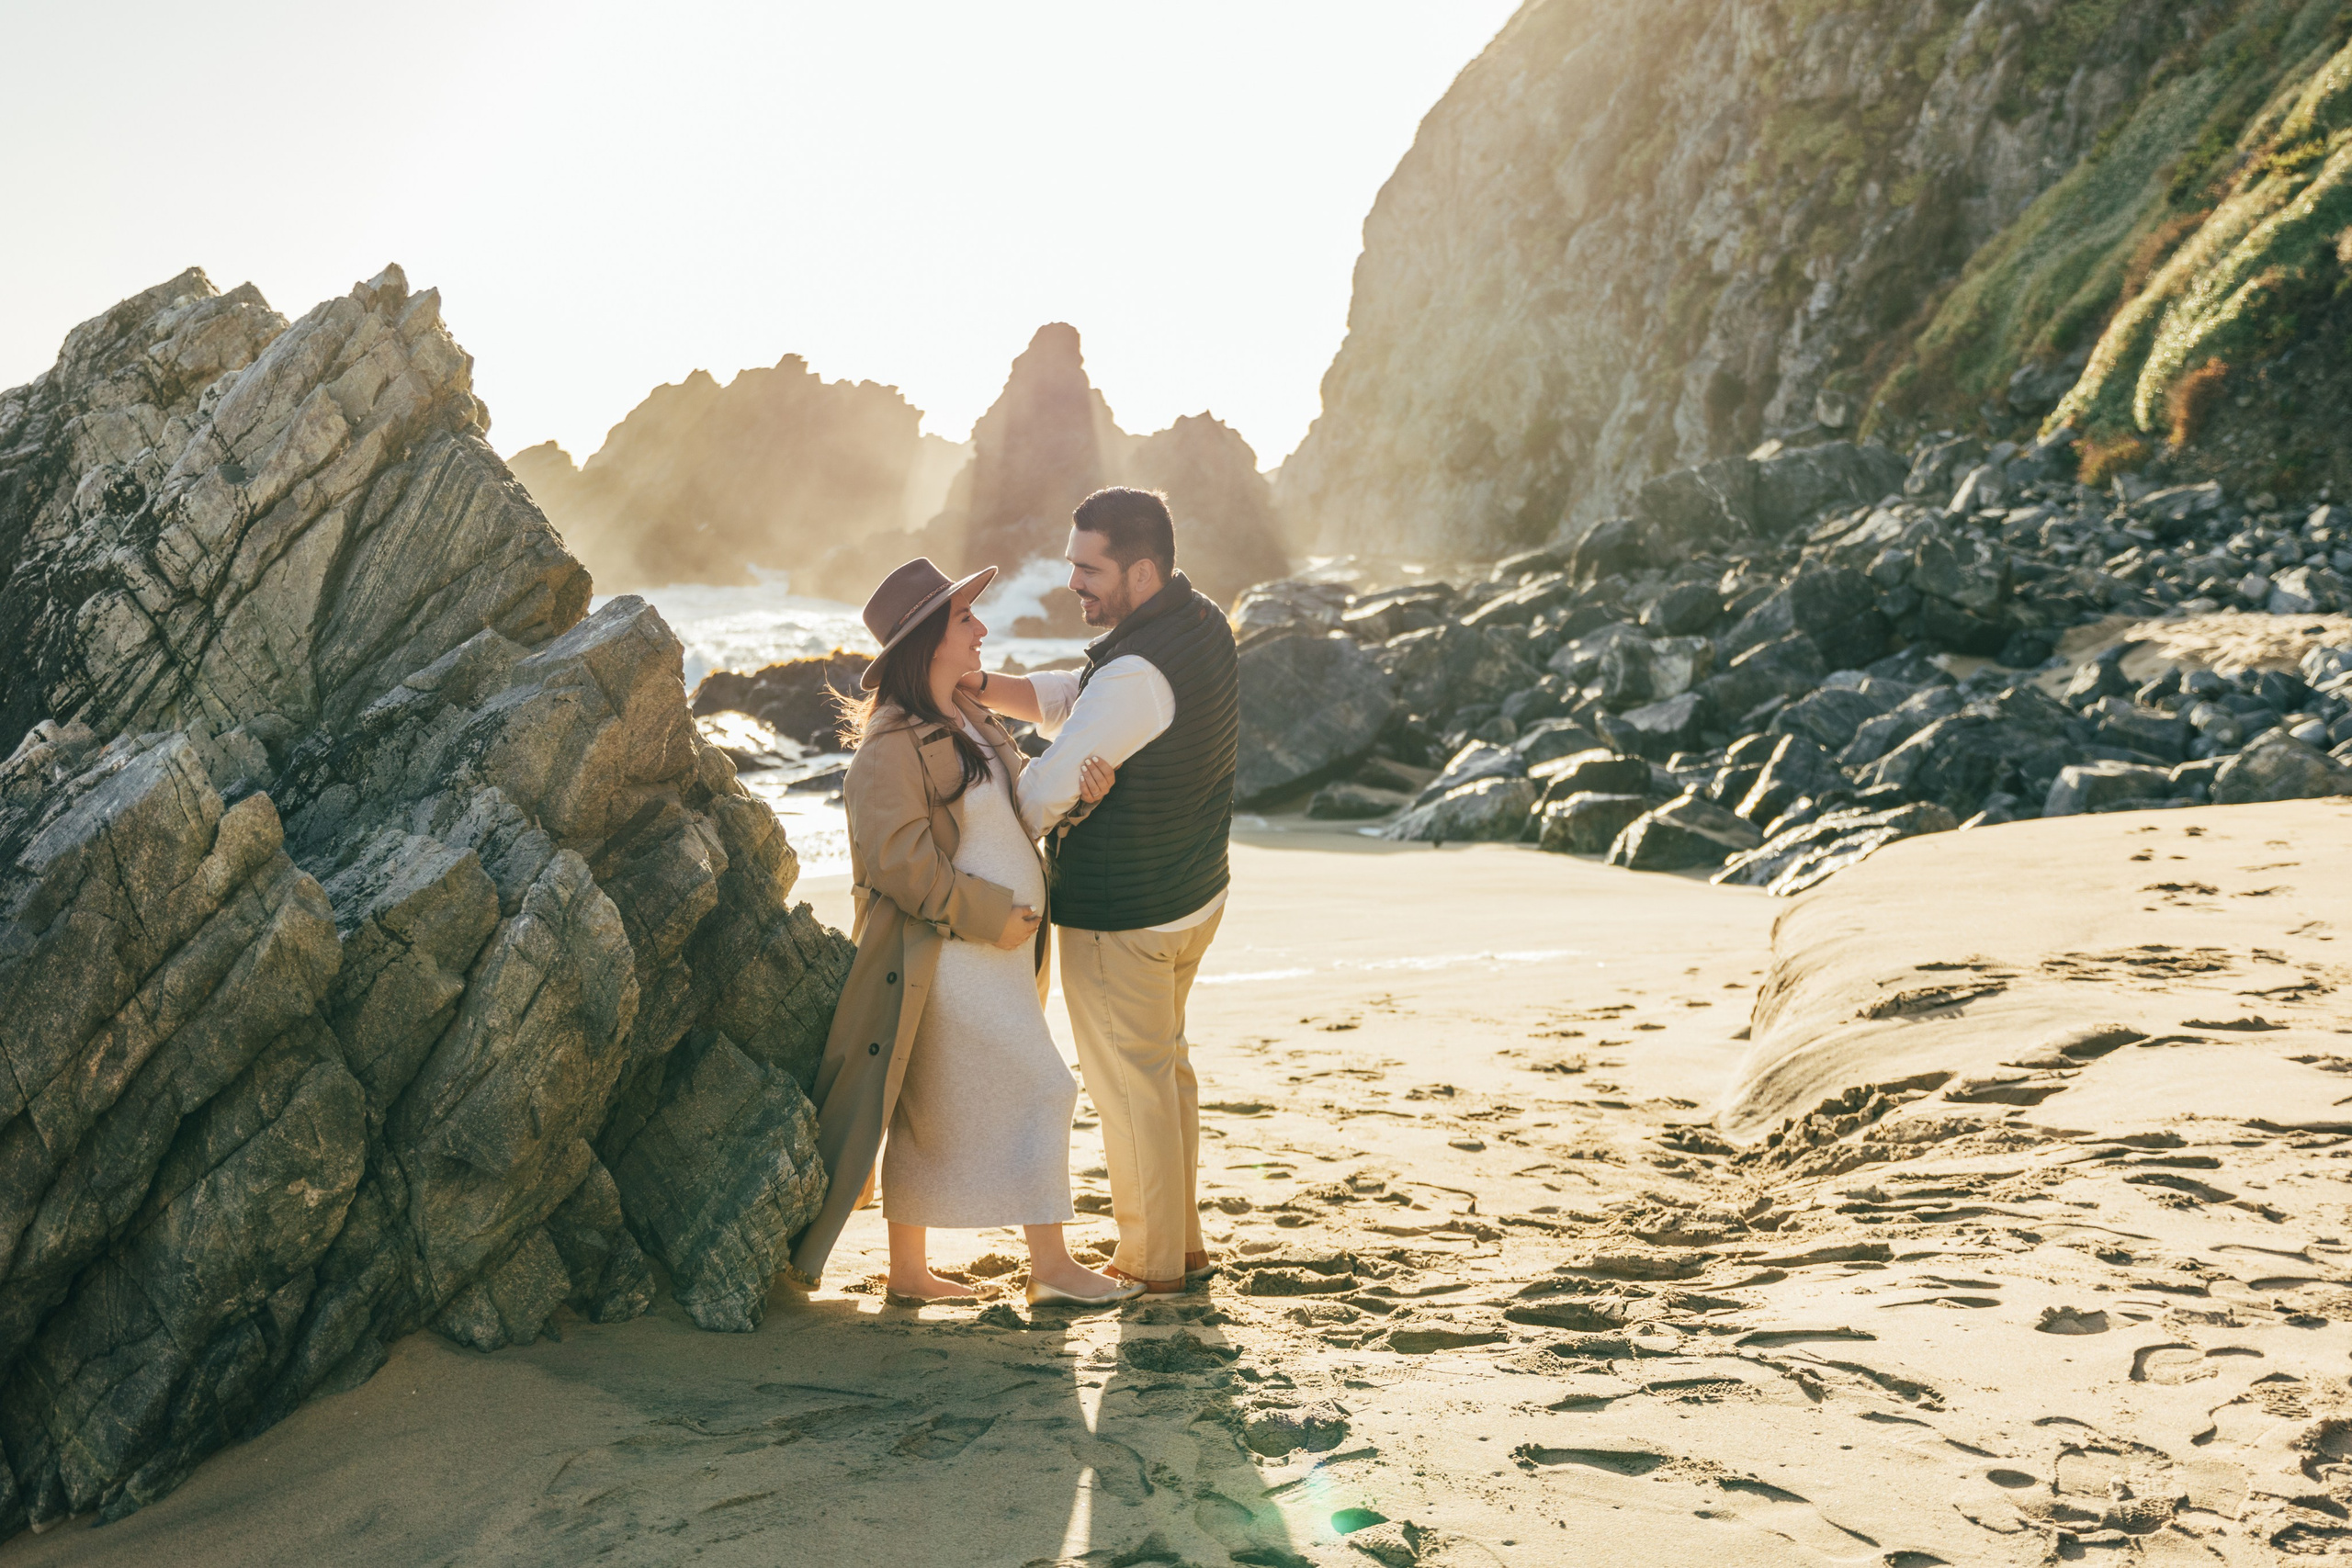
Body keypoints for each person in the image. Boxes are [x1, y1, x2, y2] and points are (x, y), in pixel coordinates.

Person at [786, 557, 1140, 1308]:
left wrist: (1076, 800)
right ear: (927, 643)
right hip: (943, 955)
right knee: (1045, 1086)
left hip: (996, 954)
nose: (982, 629)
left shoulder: (971, 719)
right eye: (965, 619)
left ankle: (908, 1273)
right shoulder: (887, 746)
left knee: (931, 1104)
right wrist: (988, 916)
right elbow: (899, 865)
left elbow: (1010, 819)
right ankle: (1050, 1263)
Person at [961, 488, 1239, 1295]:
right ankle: (1180, 1248)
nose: (1072, 580)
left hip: (1128, 914)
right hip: (1192, 896)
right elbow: (1080, 697)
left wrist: (984, 814)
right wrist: (981, 688)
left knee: (1129, 1088)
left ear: (1142, 572)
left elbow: (1041, 793)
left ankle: (1149, 1265)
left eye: (1090, 567)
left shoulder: (1137, 673)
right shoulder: (1198, 622)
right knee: (1163, 1071)